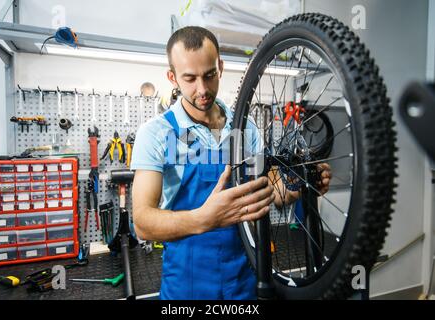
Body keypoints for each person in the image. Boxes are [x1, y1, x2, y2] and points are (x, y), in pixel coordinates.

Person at [130, 26, 331, 300]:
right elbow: (142, 222)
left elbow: (273, 192)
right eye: (189, 78)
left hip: (246, 281)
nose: (202, 89)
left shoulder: (245, 127)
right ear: (172, 77)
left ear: (220, 67)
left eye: (209, 75)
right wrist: (203, 219)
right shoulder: (155, 133)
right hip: (188, 288)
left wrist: (303, 184)